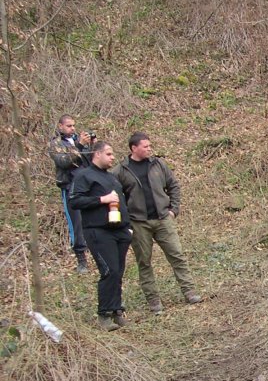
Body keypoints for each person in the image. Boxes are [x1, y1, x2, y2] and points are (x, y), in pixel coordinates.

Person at [113, 132, 201, 314]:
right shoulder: (120, 171)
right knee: (144, 262)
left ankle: (190, 292)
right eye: (145, 146)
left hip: (163, 219)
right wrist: (126, 220)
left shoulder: (158, 164)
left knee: (177, 255)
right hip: (139, 223)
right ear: (134, 148)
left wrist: (173, 209)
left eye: (149, 145)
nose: (149, 149)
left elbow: (173, 185)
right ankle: (154, 301)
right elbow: (115, 198)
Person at [68, 141, 132, 331]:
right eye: (109, 154)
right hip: (98, 230)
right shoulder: (84, 175)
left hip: (119, 230)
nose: (113, 158)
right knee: (109, 270)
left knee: (118, 271)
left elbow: (122, 202)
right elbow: (75, 201)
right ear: (97, 154)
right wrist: (102, 199)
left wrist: (128, 227)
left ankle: (116, 311)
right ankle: (104, 314)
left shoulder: (111, 177)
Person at [47, 114, 94, 274]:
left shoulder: (79, 140)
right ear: (60, 126)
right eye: (69, 126)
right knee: (76, 223)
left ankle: (97, 252)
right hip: (70, 187)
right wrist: (79, 146)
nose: (72, 128)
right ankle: (81, 259)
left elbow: (90, 162)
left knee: (92, 219)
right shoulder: (55, 144)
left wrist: (91, 145)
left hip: (87, 186)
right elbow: (64, 162)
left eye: (73, 125)